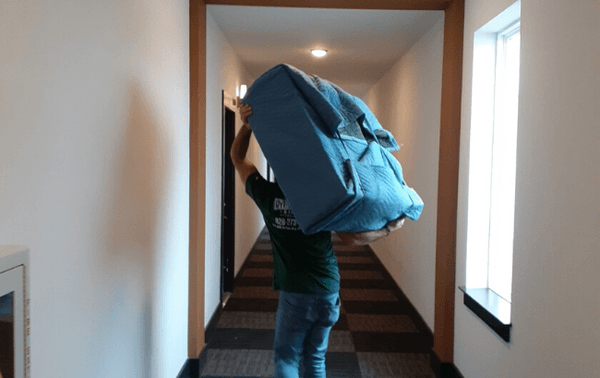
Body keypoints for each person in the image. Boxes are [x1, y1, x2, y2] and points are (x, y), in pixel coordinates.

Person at [230, 104, 405, 378]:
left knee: (286, 359)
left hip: (295, 293)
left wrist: (248, 126)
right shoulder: (322, 199)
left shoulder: (266, 195)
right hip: (327, 291)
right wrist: (387, 229)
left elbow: (237, 158)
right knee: (314, 357)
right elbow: (351, 238)